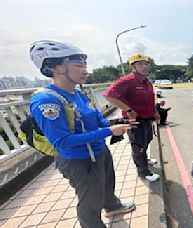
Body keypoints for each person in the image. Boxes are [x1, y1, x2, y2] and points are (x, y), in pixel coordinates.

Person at [29, 40, 136, 228]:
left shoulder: (78, 93)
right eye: (79, 65)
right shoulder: (47, 101)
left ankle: (112, 206)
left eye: (85, 65)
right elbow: (62, 141)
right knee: (90, 201)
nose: (85, 70)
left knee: (106, 184)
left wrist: (118, 122)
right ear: (55, 68)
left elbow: (96, 120)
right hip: (79, 160)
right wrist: (108, 131)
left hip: (99, 150)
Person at [103, 53, 160, 182]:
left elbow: (151, 99)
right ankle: (144, 172)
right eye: (140, 64)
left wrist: (155, 112)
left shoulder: (147, 82)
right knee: (138, 146)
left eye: (146, 64)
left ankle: (145, 160)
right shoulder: (127, 81)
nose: (145, 67)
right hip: (135, 121)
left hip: (147, 118)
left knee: (147, 139)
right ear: (133, 67)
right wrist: (128, 109)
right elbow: (108, 95)